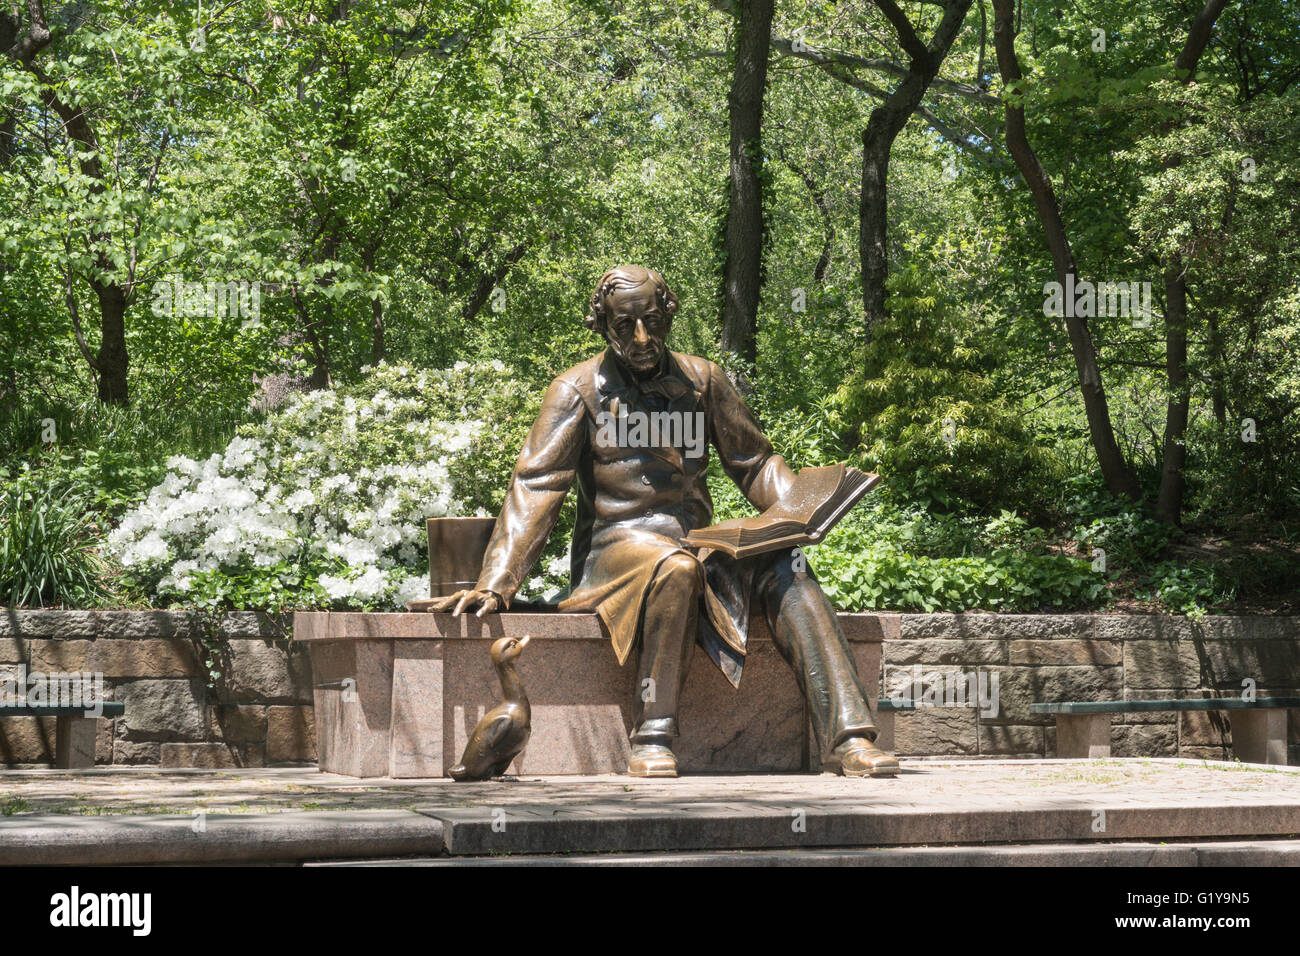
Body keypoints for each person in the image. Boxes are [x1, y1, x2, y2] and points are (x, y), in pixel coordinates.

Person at [434, 265, 898, 778]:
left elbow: (754, 463)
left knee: (790, 564)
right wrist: (498, 580)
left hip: (698, 544)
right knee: (675, 568)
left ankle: (851, 736)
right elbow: (538, 484)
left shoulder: (703, 381)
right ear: (602, 325)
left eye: (652, 322)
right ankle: (652, 736)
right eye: (625, 325)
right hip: (617, 553)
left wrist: (797, 510)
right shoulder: (577, 389)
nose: (641, 338)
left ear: (668, 316)